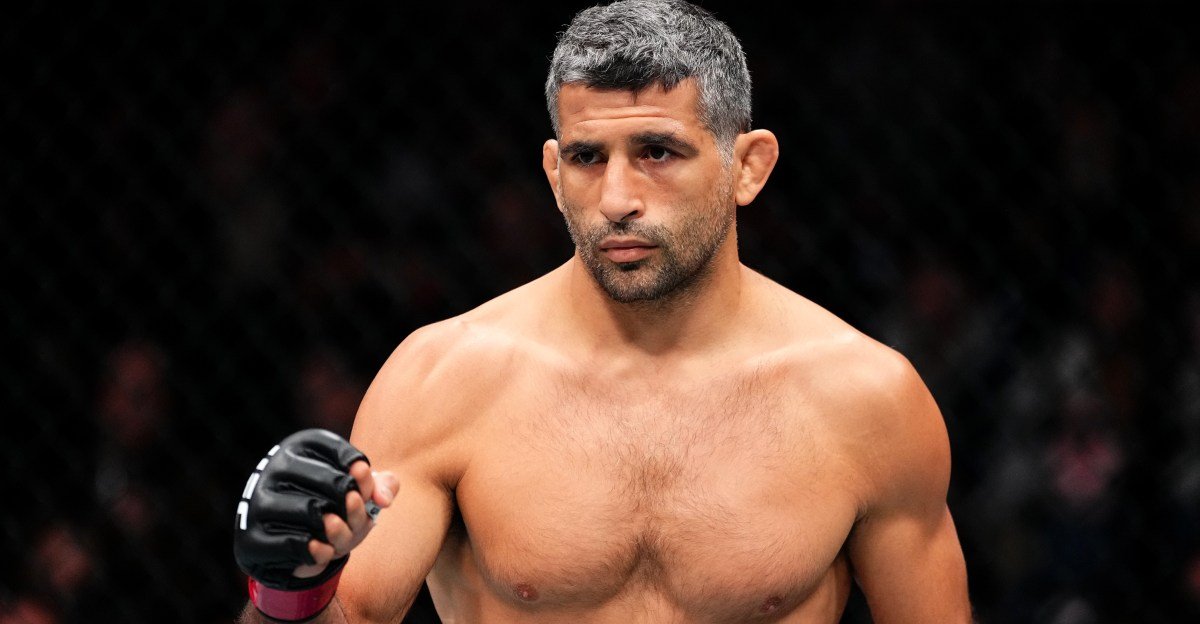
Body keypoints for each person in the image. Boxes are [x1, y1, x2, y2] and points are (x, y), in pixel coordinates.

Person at [234, 1, 973, 621]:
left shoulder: (866, 400)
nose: (617, 199)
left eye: (658, 152)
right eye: (588, 157)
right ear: (554, 174)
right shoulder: (445, 379)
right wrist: (291, 589)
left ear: (748, 167)